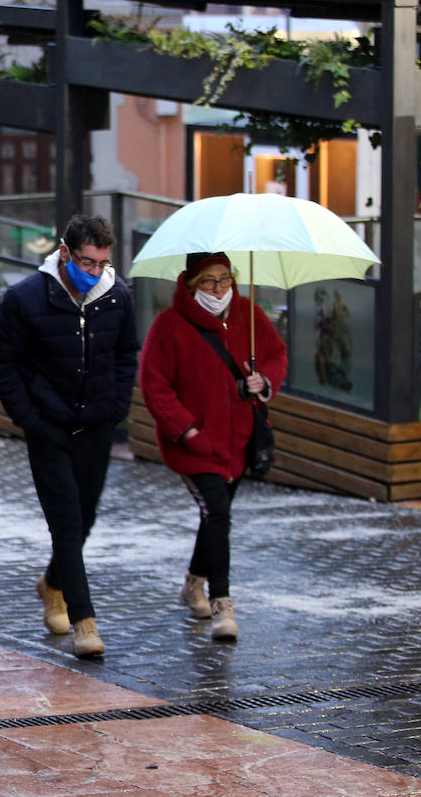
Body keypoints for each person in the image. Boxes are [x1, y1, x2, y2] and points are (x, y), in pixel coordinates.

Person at [0, 214, 138, 659]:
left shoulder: (116, 296)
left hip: (98, 425)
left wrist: (118, 406)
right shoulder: (25, 298)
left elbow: (127, 353)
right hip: (48, 428)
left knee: (84, 519)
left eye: (101, 263)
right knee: (67, 523)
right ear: (65, 251)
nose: (94, 272)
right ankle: (83, 621)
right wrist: (29, 418)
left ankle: (52, 583)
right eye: (86, 262)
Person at [138, 252, 287, 641]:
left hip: (238, 442)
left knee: (214, 518)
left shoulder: (248, 314)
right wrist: (187, 431)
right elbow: (155, 384)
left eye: (225, 279)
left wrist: (263, 380)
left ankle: (192, 584)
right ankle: (223, 603)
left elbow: (276, 355)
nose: (219, 288)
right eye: (208, 281)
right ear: (191, 284)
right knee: (218, 514)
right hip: (195, 446)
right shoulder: (169, 324)